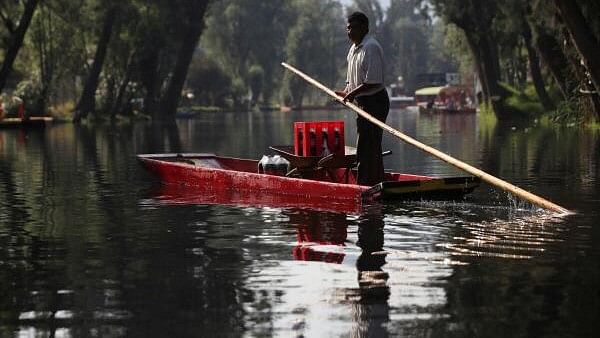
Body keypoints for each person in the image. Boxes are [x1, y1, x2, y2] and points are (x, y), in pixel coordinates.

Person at [335, 12, 389, 186]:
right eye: (348, 27)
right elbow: (352, 81)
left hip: (376, 101)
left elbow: (372, 82)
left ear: (365, 28)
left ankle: (365, 185)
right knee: (371, 146)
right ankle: (377, 181)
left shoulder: (370, 47)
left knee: (366, 147)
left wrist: (351, 95)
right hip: (363, 102)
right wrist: (345, 92)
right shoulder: (353, 49)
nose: (350, 31)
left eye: (355, 27)